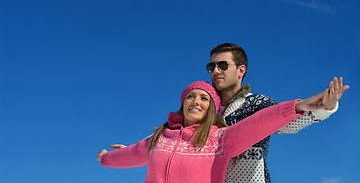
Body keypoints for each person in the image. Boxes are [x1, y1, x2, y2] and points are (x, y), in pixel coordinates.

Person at [96, 80, 344, 183]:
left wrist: (298, 106)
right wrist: (106, 157)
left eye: (204, 98)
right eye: (190, 96)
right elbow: (132, 155)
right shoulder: (161, 137)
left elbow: (261, 121)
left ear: (212, 110)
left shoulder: (220, 139)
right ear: (183, 102)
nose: (196, 101)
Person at [205, 43, 350, 183]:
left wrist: (325, 108)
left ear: (241, 70)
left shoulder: (257, 103)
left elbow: (285, 123)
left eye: (222, 65)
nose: (216, 71)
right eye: (211, 67)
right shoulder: (203, 108)